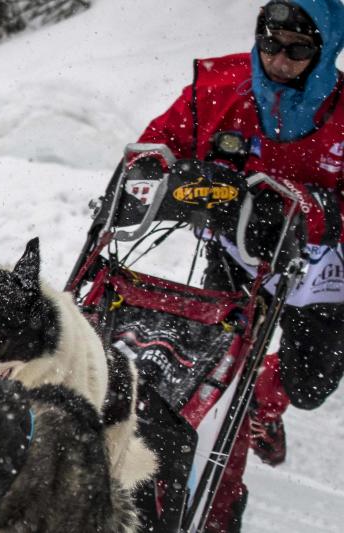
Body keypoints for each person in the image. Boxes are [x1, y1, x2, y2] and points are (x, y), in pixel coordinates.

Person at [136, 1, 344, 531]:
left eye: (298, 50)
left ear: (324, 51)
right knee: (218, 372)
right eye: (270, 43)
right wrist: (152, 170)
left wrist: (314, 209)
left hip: (321, 267)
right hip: (238, 249)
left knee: (310, 384)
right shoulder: (220, 88)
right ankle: (216, 502)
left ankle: (264, 402)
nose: (279, 58)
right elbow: (162, 140)